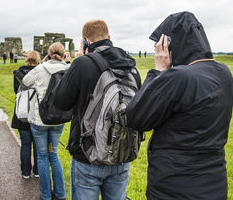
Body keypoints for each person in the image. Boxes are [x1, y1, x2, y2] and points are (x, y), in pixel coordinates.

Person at [125, 11, 233, 199]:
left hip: (175, 185)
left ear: (169, 44)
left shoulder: (179, 77)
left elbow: (136, 117)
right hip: (213, 181)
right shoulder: (224, 72)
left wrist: (158, 71)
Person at [53, 20, 141, 200]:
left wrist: (75, 63)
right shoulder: (130, 66)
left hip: (88, 154)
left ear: (86, 41)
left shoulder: (82, 64)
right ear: (109, 37)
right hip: (121, 153)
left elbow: (60, 102)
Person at [22, 42, 70, 200]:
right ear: (64, 54)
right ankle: (60, 194)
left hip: (40, 119)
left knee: (42, 156)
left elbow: (25, 83)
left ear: (48, 54)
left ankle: (46, 195)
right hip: (59, 118)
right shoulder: (68, 69)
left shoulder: (41, 68)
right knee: (53, 154)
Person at [11, 51, 40, 179]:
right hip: (36, 111)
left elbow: (15, 90)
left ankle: (25, 171)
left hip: (22, 110)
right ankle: (38, 170)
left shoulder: (18, 73)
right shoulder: (40, 73)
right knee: (38, 145)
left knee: (25, 144)